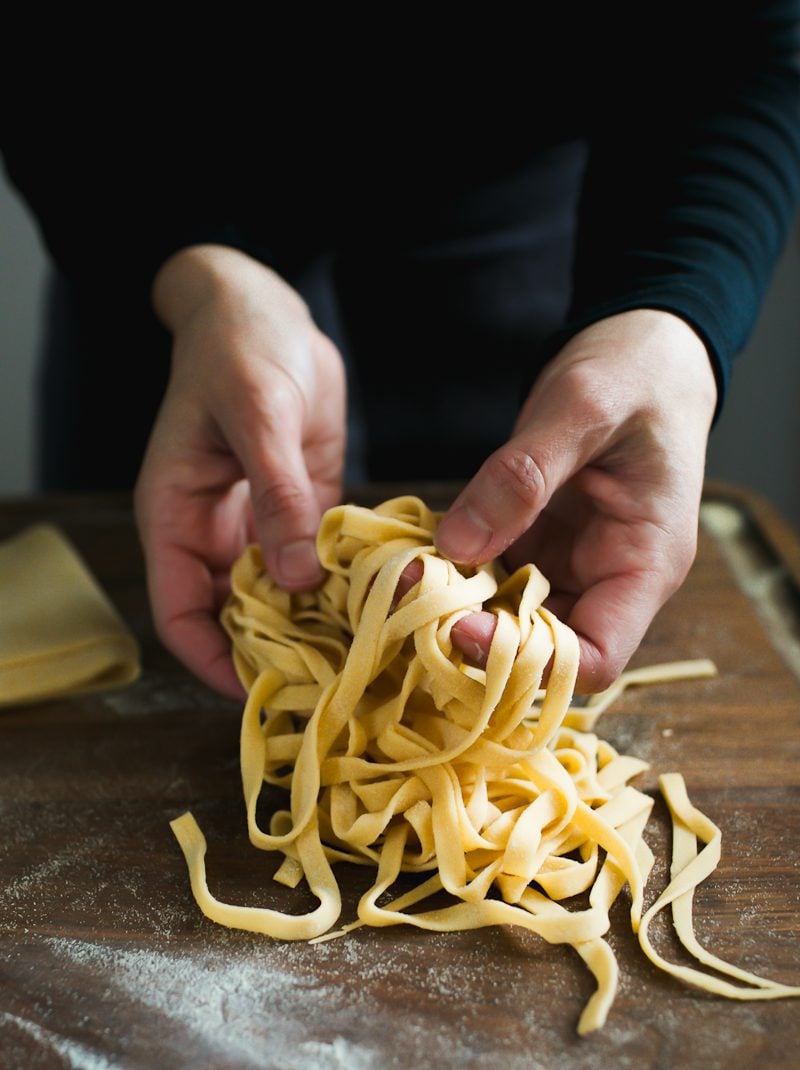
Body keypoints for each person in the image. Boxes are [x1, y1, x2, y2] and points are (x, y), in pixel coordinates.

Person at [4, 7, 799, 699]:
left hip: (529, 245)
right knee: (160, 645)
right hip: (159, 228)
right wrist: (187, 265)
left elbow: (746, 44)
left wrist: (670, 320)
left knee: (515, 614)